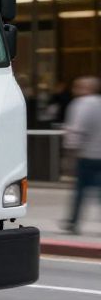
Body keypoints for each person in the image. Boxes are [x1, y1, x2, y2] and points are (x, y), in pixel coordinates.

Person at [62, 75, 101, 233]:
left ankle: (73, 222)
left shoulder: (80, 104)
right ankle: (72, 221)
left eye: (77, 86)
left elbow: (76, 130)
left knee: (80, 190)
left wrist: (69, 153)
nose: (74, 90)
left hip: (87, 155)